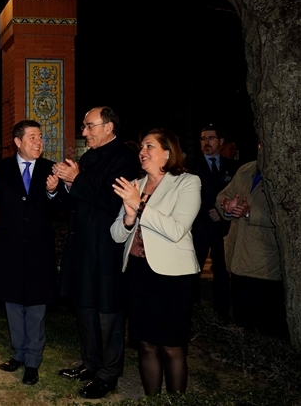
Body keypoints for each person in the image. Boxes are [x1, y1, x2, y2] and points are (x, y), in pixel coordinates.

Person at [54, 106, 138, 399]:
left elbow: (108, 200)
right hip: (82, 245)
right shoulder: (89, 158)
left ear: (109, 127)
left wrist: (76, 181)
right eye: (84, 127)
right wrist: (60, 187)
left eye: (90, 126)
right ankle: (90, 364)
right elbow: (75, 202)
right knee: (85, 307)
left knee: (108, 311)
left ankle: (108, 373)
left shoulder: (125, 160)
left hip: (107, 248)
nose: (84, 132)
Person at [110, 128, 201, 396]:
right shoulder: (135, 185)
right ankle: (152, 400)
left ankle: (176, 401)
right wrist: (127, 218)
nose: (142, 152)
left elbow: (176, 229)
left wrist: (140, 207)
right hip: (139, 272)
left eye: (149, 146)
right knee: (146, 344)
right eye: (141, 147)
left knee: (171, 346)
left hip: (173, 277)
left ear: (168, 153)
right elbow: (116, 235)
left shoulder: (187, 182)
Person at [0, 120, 59, 386]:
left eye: (40, 138)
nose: (38, 142)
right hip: (9, 250)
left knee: (35, 307)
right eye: (33, 137)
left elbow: (66, 206)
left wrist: (54, 191)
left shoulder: (50, 170)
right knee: (13, 305)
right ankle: (19, 354)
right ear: (18, 141)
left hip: (39, 251)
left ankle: (33, 361)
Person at [216, 158, 288, 339]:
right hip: (238, 259)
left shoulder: (284, 171)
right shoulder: (246, 169)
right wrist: (226, 207)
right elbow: (222, 196)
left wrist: (249, 213)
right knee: (242, 323)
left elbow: (287, 216)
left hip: (264, 265)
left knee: (266, 327)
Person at [189, 124, 238, 317]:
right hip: (199, 225)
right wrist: (209, 209)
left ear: (221, 142)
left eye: (211, 138)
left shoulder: (232, 167)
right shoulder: (191, 166)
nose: (206, 142)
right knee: (194, 268)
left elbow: (235, 193)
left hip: (222, 227)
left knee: (222, 269)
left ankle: (222, 313)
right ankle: (194, 310)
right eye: (203, 139)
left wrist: (221, 211)